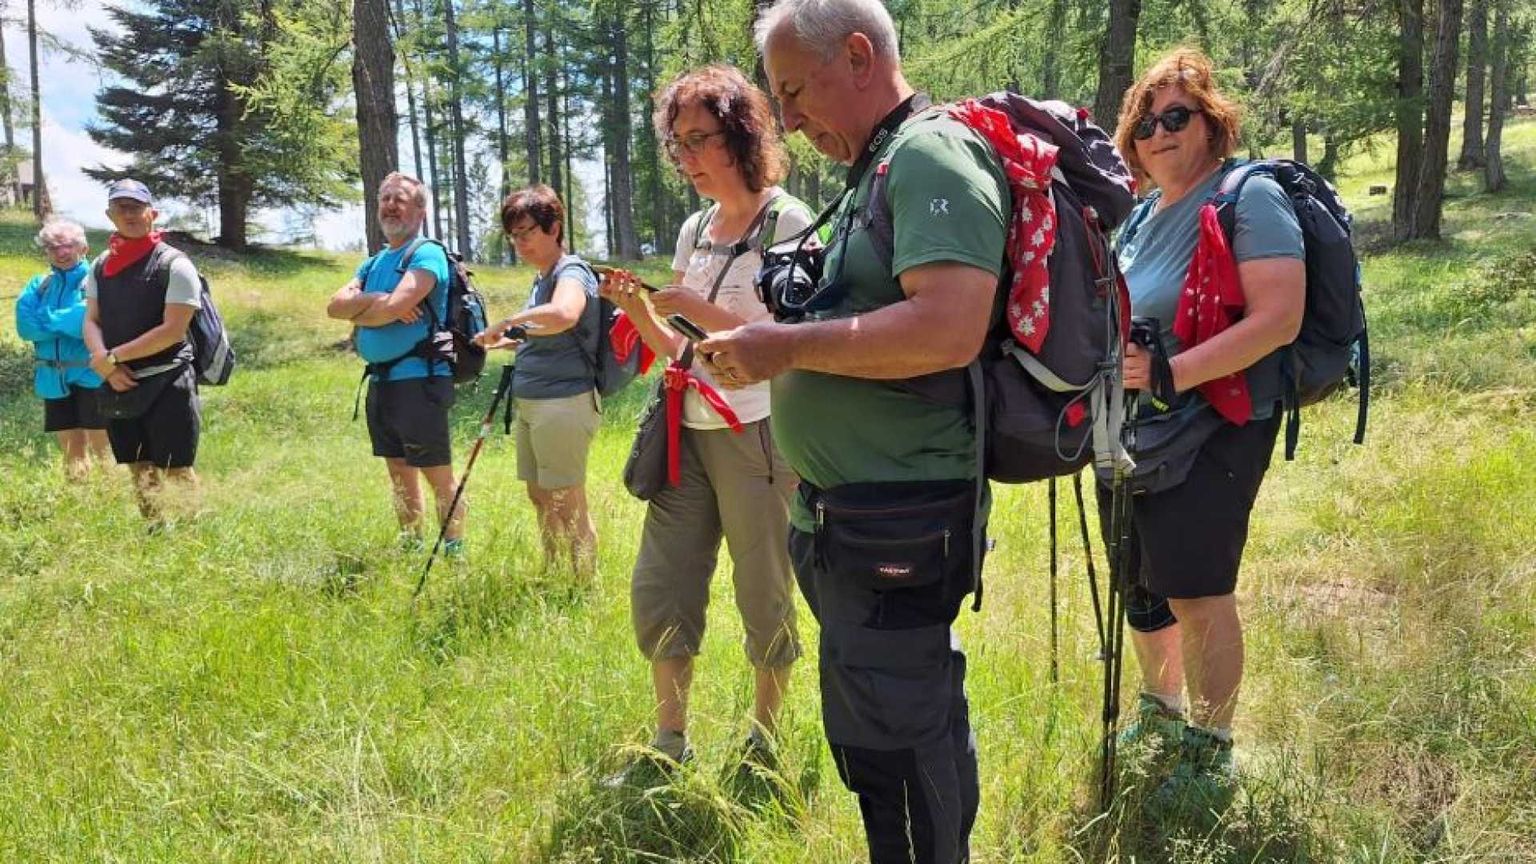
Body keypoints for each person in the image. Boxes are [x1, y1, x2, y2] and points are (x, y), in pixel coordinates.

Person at [700, 1, 1008, 859]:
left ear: (862, 55)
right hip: (852, 519)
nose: (788, 119)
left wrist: (784, 346)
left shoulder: (929, 154)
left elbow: (950, 326)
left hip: (896, 520)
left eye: (796, 91)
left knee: (900, 740)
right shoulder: (879, 167)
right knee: (881, 731)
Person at [598, 64, 812, 782]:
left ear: (742, 136)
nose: (685, 157)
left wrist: (687, 301)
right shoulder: (694, 227)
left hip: (758, 433)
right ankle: (669, 741)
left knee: (764, 587)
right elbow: (681, 348)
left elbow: (781, 343)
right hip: (685, 431)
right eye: (675, 143)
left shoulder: (788, 221)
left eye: (699, 139)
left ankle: (765, 740)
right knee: (663, 582)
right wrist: (639, 310)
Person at [1107, 48, 1305, 809]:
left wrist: (1170, 374)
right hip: (1133, 431)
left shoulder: (1244, 197)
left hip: (1215, 424)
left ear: (1212, 124)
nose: (1158, 132)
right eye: (1146, 121)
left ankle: (1211, 751)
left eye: (1176, 117)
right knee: (1142, 585)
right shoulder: (1139, 215)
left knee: (1197, 589)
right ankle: (1162, 712)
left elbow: (1278, 318)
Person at [326, 172, 465, 558]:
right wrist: (375, 299)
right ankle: (411, 546)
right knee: (399, 475)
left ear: (420, 209)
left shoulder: (426, 254)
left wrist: (368, 309)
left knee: (438, 475)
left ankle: (454, 552)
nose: (390, 205)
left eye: (400, 199)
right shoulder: (373, 263)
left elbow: (395, 307)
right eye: (384, 198)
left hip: (419, 382)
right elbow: (334, 307)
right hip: (383, 385)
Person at [475, 185, 601, 578]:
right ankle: (553, 571)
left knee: (567, 499)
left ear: (554, 227)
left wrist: (510, 320)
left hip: (563, 403)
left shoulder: (571, 271)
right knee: (540, 494)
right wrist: (505, 341)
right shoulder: (541, 278)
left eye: (526, 232)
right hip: (533, 403)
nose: (519, 243)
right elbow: (545, 332)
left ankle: (582, 585)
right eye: (513, 236)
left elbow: (564, 315)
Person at [82, 179, 205, 522]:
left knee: (177, 467)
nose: (129, 214)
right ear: (110, 215)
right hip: (117, 381)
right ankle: (154, 531)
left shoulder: (175, 265)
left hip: (168, 381)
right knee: (138, 467)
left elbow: (172, 331)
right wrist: (106, 367)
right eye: (121, 208)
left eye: (136, 207)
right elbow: (91, 320)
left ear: (152, 213)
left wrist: (113, 358)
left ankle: (192, 535)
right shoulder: (100, 266)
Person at [15, 219, 109, 477]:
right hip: (52, 379)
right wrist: (63, 320)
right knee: (71, 449)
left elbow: (82, 323)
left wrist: (48, 317)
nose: (61, 252)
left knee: (104, 446)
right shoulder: (39, 284)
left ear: (84, 248)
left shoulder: (95, 281)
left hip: (92, 374)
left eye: (67, 245)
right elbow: (25, 327)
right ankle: (80, 500)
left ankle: (114, 496)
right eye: (53, 247)